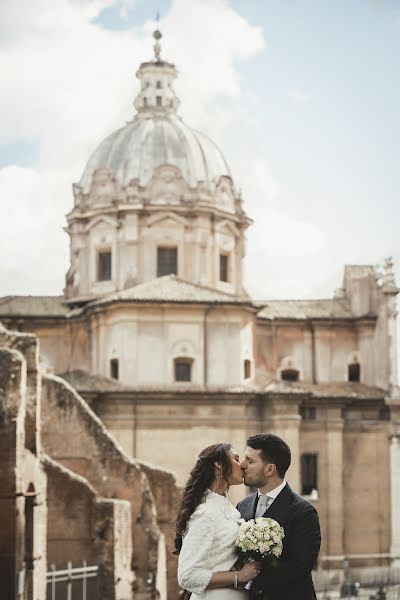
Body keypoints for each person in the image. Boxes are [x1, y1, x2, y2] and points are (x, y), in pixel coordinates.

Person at [237, 433, 321, 600]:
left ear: (270, 469)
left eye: (250, 461)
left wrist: (249, 578)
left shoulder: (304, 512)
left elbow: (299, 568)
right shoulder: (242, 506)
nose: (242, 465)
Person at [176, 443, 260, 600]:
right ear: (219, 465)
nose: (242, 465)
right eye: (236, 459)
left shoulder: (230, 509)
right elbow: (187, 576)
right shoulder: (205, 513)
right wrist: (238, 576)